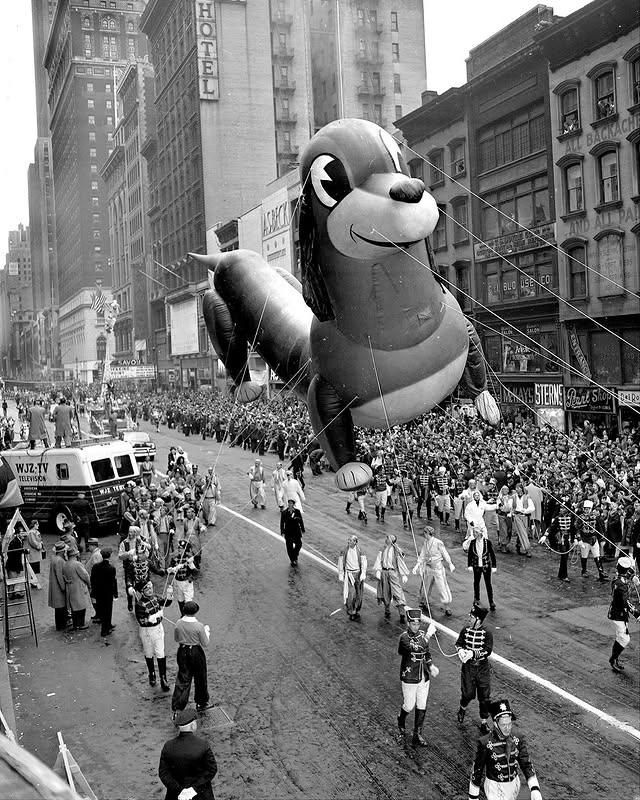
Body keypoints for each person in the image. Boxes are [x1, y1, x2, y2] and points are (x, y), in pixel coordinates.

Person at [468, 698, 543, 800]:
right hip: (495, 788)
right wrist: (473, 797)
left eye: (509, 723)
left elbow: (526, 763)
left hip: (514, 785)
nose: (507, 728)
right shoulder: (485, 743)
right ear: (495, 724)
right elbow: (477, 770)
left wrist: (534, 788)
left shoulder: (517, 738)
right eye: (504, 725)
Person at [396, 608, 438, 747]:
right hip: (409, 677)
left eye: (418, 624)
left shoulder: (421, 635)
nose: (416, 626)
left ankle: (417, 734)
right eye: (413, 624)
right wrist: (428, 636)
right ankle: (401, 718)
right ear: (408, 623)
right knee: (409, 705)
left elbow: (426, 653)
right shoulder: (404, 638)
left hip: (423, 677)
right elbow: (414, 648)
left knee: (422, 704)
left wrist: (431, 666)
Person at [158, 706, 218, 800]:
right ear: (193, 725)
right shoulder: (203, 745)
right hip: (201, 795)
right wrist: (193, 790)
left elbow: (163, 773)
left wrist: (179, 791)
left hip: (176, 796)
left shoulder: (168, 746)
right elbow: (212, 769)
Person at [129, 579, 174, 691]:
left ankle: (163, 678)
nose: (150, 590)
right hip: (147, 631)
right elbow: (142, 621)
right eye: (146, 589)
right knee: (149, 653)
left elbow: (165, 603)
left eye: (150, 587)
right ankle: (152, 674)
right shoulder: (139, 605)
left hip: (158, 629)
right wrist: (153, 617)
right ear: (142, 591)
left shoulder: (155, 597)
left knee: (160, 652)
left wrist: (169, 594)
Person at [455, 604, 493, 732]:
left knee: (485, 696)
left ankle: (483, 721)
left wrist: (474, 653)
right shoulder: (465, 630)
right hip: (468, 668)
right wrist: (460, 651)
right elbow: (459, 643)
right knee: (468, 693)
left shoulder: (487, 632)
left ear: (478, 620)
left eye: (472, 617)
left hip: (482, 668)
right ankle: (462, 708)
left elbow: (488, 650)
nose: (469, 619)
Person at [171, 601, 211, 714]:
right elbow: (205, 643)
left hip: (182, 651)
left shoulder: (178, 623)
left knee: (183, 678)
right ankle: (201, 701)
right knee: (200, 677)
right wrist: (206, 631)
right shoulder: (199, 626)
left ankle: (178, 706)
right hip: (195, 652)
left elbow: (176, 638)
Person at [412, 526, 456, 617]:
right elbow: (422, 555)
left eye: (425, 533)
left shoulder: (438, 543)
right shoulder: (426, 542)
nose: (424, 534)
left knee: (442, 586)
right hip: (428, 567)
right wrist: (417, 566)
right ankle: (424, 600)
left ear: (428, 533)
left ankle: (447, 606)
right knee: (426, 585)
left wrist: (450, 563)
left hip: (437, 568)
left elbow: (445, 553)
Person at [607, 556, 640, 673]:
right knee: (625, 639)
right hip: (619, 614)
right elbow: (626, 603)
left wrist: (634, 577)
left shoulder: (619, 579)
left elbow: (627, 574)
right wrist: (636, 613)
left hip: (617, 611)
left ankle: (614, 658)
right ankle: (613, 659)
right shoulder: (622, 585)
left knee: (620, 637)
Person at [373, 534, 410, 623]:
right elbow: (379, 559)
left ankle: (401, 612)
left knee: (397, 592)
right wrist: (378, 570)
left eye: (387, 538)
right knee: (385, 591)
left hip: (393, 572)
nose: (386, 539)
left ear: (391, 540)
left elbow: (400, 561)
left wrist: (403, 574)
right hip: (384, 572)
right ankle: (387, 610)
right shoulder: (382, 548)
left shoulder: (396, 550)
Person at [464, 522, 498, 610]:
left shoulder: (487, 542)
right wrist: (470, 565)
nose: (474, 534)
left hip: (486, 566)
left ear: (479, 533)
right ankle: (476, 599)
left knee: (488, 584)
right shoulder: (473, 542)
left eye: (475, 532)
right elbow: (470, 555)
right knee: (476, 582)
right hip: (476, 566)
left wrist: (494, 566)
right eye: (474, 532)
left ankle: (491, 601)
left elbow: (492, 554)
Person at [337, 535, 367, 620]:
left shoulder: (360, 550)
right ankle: (351, 611)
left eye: (350, 540)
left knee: (358, 593)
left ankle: (356, 608)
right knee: (351, 593)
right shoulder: (344, 551)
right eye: (348, 540)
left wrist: (363, 573)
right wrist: (341, 573)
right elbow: (340, 562)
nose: (348, 541)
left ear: (355, 542)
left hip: (358, 573)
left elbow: (364, 562)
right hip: (349, 574)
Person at [62, 545, 92, 630]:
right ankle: (81, 624)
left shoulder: (65, 564)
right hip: (79, 587)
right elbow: (85, 575)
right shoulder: (77, 564)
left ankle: (75, 624)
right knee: (82, 607)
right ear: (75, 555)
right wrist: (89, 584)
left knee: (74, 607)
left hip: (70, 587)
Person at [576, 499, 607, 581]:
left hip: (594, 539)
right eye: (586, 509)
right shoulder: (580, 518)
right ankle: (584, 570)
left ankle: (601, 572)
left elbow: (600, 529)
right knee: (584, 557)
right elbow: (577, 529)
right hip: (585, 540)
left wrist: (602, 539)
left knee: (597, 556)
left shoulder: (596, 518)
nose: (587, 510)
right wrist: (579, 539)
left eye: (589, 509)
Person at [90, 548, 118, 637]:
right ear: (109, 556)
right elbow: (113, 582)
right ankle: (105, 629)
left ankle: (107, 625)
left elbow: (92, 580)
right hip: (108, 593)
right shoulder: (111, 568)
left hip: (98, 592)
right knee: (108, 610)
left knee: (102, 609)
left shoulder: (96, 567)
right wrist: (115, 593)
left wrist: (93, 591)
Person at [48, 541, 69, 630]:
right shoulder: (60, 561)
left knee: (59, 608)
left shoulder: (54, 558)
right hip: (58, 587)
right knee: (61, 607)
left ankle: (61, 624)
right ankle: (61, 626)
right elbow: (60, 576)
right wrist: (64, 587)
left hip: (54, 585)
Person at [511, 483, 534, 557]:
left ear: (521, 488)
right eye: (516, 488)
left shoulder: (527, 497)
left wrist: (525, 511)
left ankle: (518, 545)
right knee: (522, 533)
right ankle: (527, 549)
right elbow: (510, 506)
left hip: (524, 516)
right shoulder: (513, 497)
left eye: (517, 488)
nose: (516, 489)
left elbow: (532, 507)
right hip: (517, 516)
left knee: (524, 532)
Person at [280, 498, 305, 566]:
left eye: (291, 503)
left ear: (294, 504)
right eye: (289, 503)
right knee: (289, 547)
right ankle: (293, 560)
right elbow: (282, 523)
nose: (290, 504)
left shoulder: (297, 511)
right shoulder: (284, 512)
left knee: (299, 544)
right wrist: (282, 531)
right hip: (288, 532)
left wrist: (302, 529)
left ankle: (295, 554)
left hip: (296, 531)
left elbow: (301, 521)